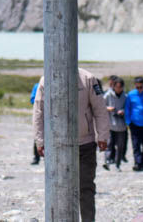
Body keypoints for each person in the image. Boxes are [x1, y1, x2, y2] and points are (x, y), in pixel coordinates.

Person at [32, 69, 109, 222]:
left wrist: (103, 135)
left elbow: (100, 109)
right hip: (57, 145)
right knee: (59, 188)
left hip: (85, 143)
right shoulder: (46, 79)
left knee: (86, 188)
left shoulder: (88, 79)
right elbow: (39, 111)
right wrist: (40, 140)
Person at [103, 76, 128, 170]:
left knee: (120, 146)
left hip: (121, 126)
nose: (118, 89)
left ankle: (118, 164)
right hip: (110, 125)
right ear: (113, 87)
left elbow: (129, 108)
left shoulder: (126, 97)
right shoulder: (107, 95)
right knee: (109, 144)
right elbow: (100, 106)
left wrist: (123, 111)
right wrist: (108, 108)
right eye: (116, 87)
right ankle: (107, 162)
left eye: (120, 87)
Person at [29, 81, 41, 165]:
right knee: (38, 135)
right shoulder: (37, 85)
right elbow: (32, 99)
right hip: (41, 113)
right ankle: (36, 157)